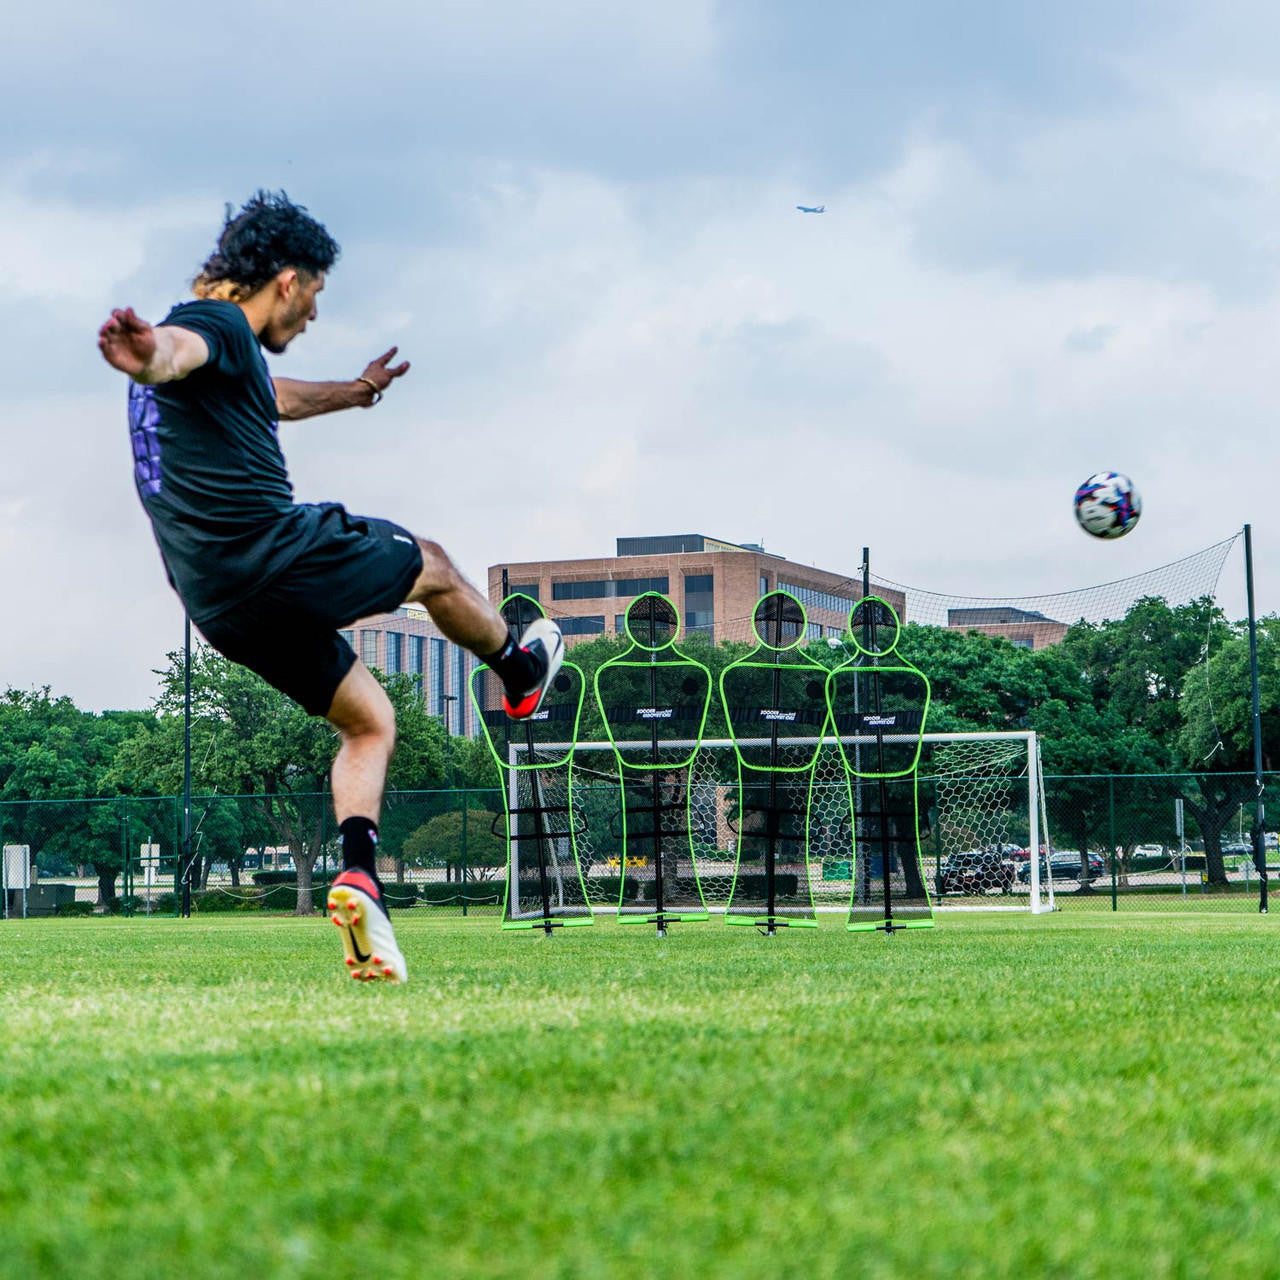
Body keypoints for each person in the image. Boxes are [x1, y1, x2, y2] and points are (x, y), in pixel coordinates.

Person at [98, 190, 562, 984]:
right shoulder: (209, 331)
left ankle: (359, 881)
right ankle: (519, 674)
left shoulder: (227, 360)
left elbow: (268, 397)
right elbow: (174, 350)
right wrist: (146, 353)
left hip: (218, 607)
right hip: (272, 555)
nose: (310, 316)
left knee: (369, 721)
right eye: (312, 296)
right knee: (435, 564)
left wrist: (352, 392)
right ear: (285, 281)